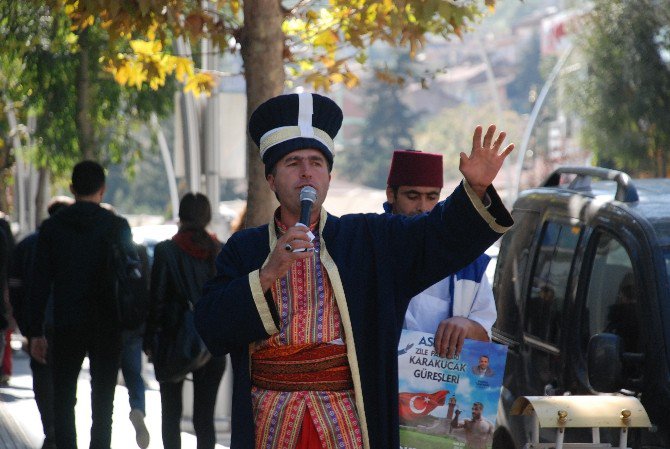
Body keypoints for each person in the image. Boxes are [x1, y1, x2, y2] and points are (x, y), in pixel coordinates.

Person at [194, 92, 514, 449]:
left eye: (316, 162)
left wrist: (475, 188)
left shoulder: (369, 239)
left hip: (348, 422)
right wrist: (268, 272)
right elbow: (210, 327)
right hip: (269, 419)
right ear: (271, 179)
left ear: (329, 176)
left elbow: (432, 236)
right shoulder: (245, 249)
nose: (306, 172)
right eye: (293, 162)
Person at [29, 160, 137, 449]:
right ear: (102, 189)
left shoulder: (52, 228)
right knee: (103, 403)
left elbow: (38, 281)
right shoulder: (116, 225)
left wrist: (34, 331)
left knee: (63, 399)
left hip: (65, 322)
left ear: (72, 188)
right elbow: (132, 274)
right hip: (107, 323)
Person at [385, 149, 497, 359]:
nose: (423, 207)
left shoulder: (468, 262)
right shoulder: (369, 246)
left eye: (432, 197)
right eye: (412, 196)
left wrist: (466, 326)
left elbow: (485, 335)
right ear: (391, 194)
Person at [144, 192, 225, 449]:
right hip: (212, 344)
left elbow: (156, 301)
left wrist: (150, 342)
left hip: (173, 340)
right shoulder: (219, 249)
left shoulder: (166, 250)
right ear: (208, 216)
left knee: (170, 414)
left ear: (180, 215)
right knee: (205, 418)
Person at [8, 195, 73, 449]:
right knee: (66, 379)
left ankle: (52, 428)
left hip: (38, 326)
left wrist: (25, 325)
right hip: (67, 324)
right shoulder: (69, 244)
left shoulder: (26, 245)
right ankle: (61, 429)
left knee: (43, 377)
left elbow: (15, 288)